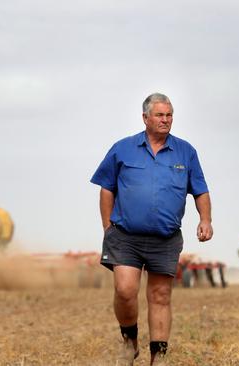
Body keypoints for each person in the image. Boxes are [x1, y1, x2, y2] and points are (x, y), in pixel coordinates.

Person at [90, 93, 213, 365]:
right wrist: (107, 226)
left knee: (160, 295)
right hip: (124, 236)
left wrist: (205, 219)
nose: (165, 120)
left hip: (165, 238)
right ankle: (129, 340)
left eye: (169, 115)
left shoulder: (186, 152)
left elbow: (201, 191)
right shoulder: (122, 149)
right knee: (125, 290)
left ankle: (159, 356)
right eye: (160, 115)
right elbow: (106, 188)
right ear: (145, 117)